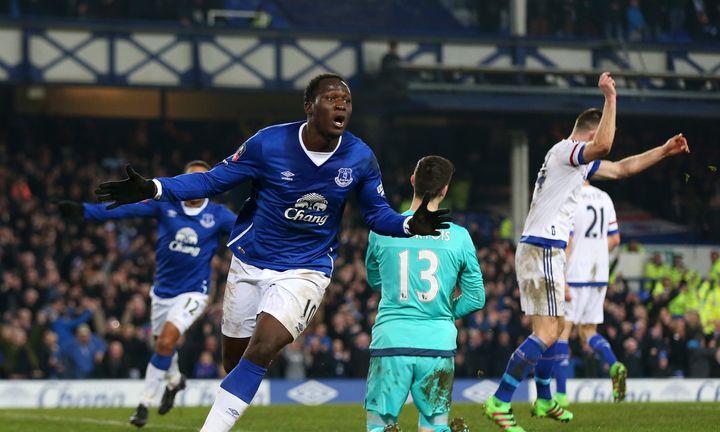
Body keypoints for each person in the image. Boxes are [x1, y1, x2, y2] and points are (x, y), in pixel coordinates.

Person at [93, 73, 450, 432]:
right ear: (309, 107)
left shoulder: (359, 157)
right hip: (250, 262)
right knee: (233, 361)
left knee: (262, 347)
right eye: (331, 98)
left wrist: (406, 225)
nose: (341, 104)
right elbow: (211, 180)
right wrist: (155, 188)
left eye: (347, 100)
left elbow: (375, 211)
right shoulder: (268, 143)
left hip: (306, 270)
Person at [483, 72, 690, 432]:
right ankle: (500, 401)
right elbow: (607, 147)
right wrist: (612, 98)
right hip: (544, 247)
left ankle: (545, 398)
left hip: (540, 247)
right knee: (549, 334)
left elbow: (622, 168)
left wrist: (663, 151)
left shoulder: (572, 162)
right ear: (590, 134)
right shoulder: (567, 151)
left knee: (557, 326)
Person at [58, 160, 237, 427]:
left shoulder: (219, 215)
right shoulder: (166, 205)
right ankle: (175, 381)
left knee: (165, 341)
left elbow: (249, 234)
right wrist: (85, 211)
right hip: (162, 292)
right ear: (184, 182)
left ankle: (144, 403)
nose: (197, 186)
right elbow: (123, 211)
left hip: (194, 293)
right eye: (192, 180)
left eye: (203, 180)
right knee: (162, 346)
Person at [364, 156, 485, 432]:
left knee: (380, 427)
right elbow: (476, 296)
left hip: (391, 340)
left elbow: (374, 280)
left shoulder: (382, 230)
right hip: (437, 343)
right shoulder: (460, 237)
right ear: (444, 190)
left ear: (412, 182)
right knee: (434, 425)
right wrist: (442, 310)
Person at [551, 181, 624, 409]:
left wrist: (561, 276)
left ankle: (561, 395)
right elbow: (615, 240)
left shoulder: (570, 197)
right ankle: (613, 364)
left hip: (576, 274)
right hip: (599, 274)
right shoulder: (604, 197)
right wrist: (596, 254)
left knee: (563, 331)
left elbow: (569, 242)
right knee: (588, 332)